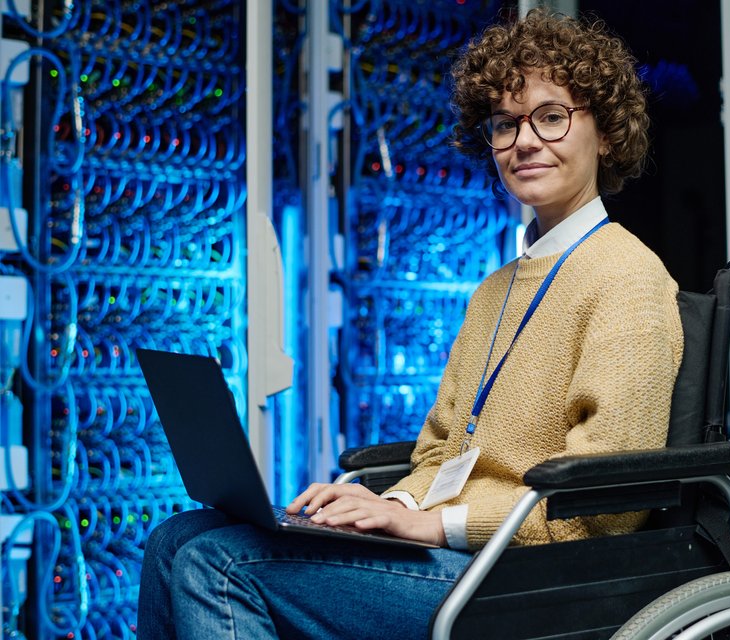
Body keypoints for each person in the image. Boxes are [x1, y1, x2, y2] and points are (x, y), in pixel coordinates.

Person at [137, 8, 683, 639]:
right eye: (505, 124)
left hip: (533, 574)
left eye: (551, 116)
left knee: (218, 563)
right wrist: (388, 503)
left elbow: (604, 512)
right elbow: (439, 452)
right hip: (459, 551)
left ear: (606, 132)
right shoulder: (496, 290)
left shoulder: (629, 277)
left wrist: (431, 524)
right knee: (176, 538)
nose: (525, 141)